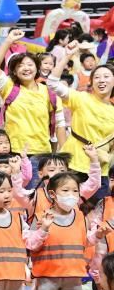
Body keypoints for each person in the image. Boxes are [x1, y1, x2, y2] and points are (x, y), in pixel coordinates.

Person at [0, 29, 66, 187]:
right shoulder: (8, 87)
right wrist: (8, 40)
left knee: (37, 196)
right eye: (20, 66)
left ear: (37, 68)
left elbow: (60, 124)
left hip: (41, 154)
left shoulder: (49, 92)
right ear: (14, 71)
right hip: (14, 154)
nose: (26, 68)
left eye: (30, 64)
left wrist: (64, 156)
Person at [28, 172, 89, 290]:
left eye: (75, 191)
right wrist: (43, 229)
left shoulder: (81, 216)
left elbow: (86, 241)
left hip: (74, 275)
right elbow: (31, 244)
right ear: (53, 194)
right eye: (66, 190)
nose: (71, 195)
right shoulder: (41, 216)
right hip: (47, 275)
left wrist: (97, 236)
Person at [47, 41, 114, 198]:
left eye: (106, 77)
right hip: (74, 166)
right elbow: (52, 83)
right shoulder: (81, 98)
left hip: (100, 170)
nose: (101, 80)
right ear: (91, 82)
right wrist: (67, 56)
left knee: (99, 211)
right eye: (97, 77)